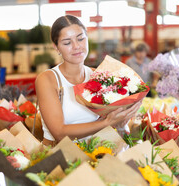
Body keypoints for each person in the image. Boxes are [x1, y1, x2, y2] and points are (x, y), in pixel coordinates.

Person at [35, 15, 141, 146]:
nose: (76, 46)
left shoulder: (97, 75)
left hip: (96, 153)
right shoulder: (48, 79)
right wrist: (106, 122)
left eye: (80, 39)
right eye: (67, 42)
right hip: (60, 157)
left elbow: (113, 122)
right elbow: (59, 133)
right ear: (56, 47)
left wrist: (122, 118)